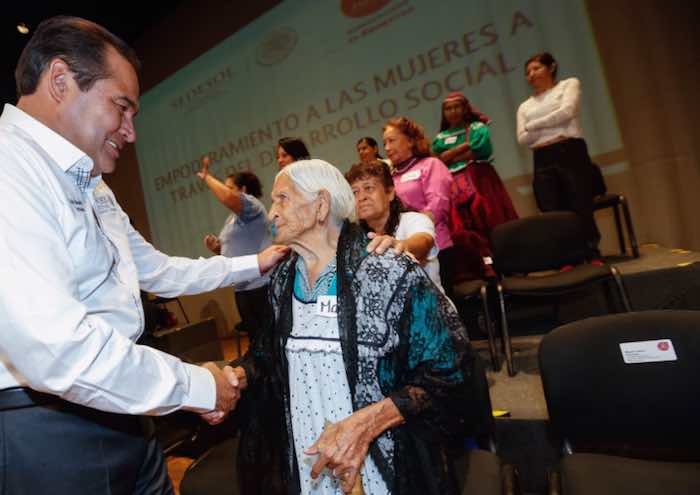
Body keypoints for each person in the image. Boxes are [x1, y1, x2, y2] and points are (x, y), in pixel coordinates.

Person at [0, 16, 288, 495]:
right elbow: (55, 349)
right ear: (59, 81)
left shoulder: (92, 185)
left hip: (124, 406)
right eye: (121, 107)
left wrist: (252, 263)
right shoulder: (9, 167)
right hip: (50, 432)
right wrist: (196, 386)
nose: (130, 132)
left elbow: (156, 270)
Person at [229, 159, 471, 495]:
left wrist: (369, 422)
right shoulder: (283, 279)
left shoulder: (386, 271)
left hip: (381, 458)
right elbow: (267, 354)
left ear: (321, 205)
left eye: (282, 199)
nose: (272, 213)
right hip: (307, 454)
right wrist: (236, 376)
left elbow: (448, 369)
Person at [516, 52, 601, 259]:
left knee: (579, 203)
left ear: (551, 67)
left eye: (536, 68)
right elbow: (522, 138)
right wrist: (551, 125)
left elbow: (567, 112)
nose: (531, 75)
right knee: (552, 208)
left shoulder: (568, 85)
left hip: (569, 150)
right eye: (527, 72)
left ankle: (591, 253)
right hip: (542, 157)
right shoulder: (525, 106)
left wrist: (534, 125)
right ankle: (567, 257)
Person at [198, 157, 272, 343]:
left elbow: (227, 198)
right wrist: (218, 248)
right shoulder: (233, 218)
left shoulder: (252, 206)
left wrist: (207, 177)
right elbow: (236, 250)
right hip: (243, 287)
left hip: (260, 287)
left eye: (229, 187)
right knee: (257, 341)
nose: (225, 191)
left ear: (243, 191)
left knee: (267, 339)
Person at [382, 116, 457, 293]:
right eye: (384, 143)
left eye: (391, 141)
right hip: (401, 254)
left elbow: (436, 208)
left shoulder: (431, 165)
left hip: (437, 249)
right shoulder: (389, 178)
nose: (387, 148)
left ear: (410, 140)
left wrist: (413, 235)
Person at [346, 159, 443, 291]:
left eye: (368, 188)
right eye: (354, 192)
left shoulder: (414, 220)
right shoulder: (354, 236)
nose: (361, 197)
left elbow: (424, 242)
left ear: (390, 193)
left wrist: (400, 246)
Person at [432, 92, 518, 230]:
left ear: (465, 108)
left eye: (456, 107)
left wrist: (449, 156)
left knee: (490, 215)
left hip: (480, 179)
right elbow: (437, 159)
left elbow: (480, 150)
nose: (452, 112)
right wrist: (464, 147)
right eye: (448, 109)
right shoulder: (440, 137)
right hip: (454, 185)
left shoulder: (477, 128)